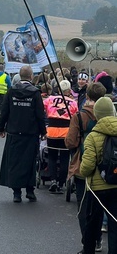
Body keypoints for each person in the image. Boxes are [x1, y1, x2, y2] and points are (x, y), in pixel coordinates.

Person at [65, 82, 106, 253]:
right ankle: (97, 239)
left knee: (83, 209)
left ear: (87, 96)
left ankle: (86, 243)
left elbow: (70, 142)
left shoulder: (79, 116)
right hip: (103, 169)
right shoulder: (107, 116)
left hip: (83, 169)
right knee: (99, 207)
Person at [0, 65, 46, 203]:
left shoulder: (11, 91)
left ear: (19, 76)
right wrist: (43, 132)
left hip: (14, 133)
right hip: (31, 134)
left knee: (14, 162)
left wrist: (2, 128)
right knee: (30, 162)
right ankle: (30, 191)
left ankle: (17, 193)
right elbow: (39, 115)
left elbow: (4, 111)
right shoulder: (35, 93)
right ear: (31, 76)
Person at [80, 97, 117, 254]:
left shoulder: (93, 136)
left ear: (96, 114)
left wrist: (82, 170)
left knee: (92, 223)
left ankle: (89, 250)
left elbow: (87, 167)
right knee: (115, 225)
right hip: (116, 186)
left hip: (96, 189)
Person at [43, 79, 78, 193]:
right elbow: (75, 117)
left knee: (52, 157)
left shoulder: (50, 99)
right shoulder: (73, 103)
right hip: (65, 133)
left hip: (52, 132)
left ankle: (52, 180)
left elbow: (43, 108)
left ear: (58, 89)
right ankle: (61, 182)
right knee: (64, 158)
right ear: (69, 90)